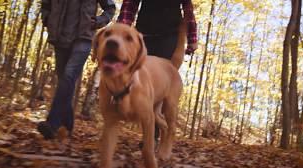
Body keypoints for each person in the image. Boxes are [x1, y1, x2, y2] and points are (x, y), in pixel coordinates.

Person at [117, 0, 198, 144]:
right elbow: (129, 5)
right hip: (143, 34)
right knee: (140, 80)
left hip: (170, 36)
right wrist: (121, 31)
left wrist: (192, 38)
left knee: (157, 83)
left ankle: (151, 138)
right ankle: (144, 125)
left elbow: (188, 9)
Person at [37, 0, 116, 139]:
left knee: (68, 76)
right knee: (64, 81)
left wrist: (98, 21)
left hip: (83, 38)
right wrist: (46, 18)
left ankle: (52, 124)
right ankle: (68, 124)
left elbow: (110, 8)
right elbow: (45, 4)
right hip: (60, 37)